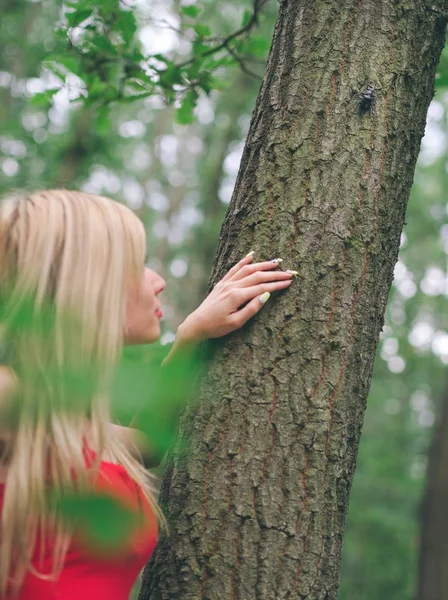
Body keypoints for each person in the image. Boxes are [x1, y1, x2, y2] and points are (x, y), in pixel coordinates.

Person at [0, 189, 295, 599]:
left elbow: (143, 446)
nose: (157, 281)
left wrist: (189, 339)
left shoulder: (58, 415)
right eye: (136, 267)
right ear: (86, 283)